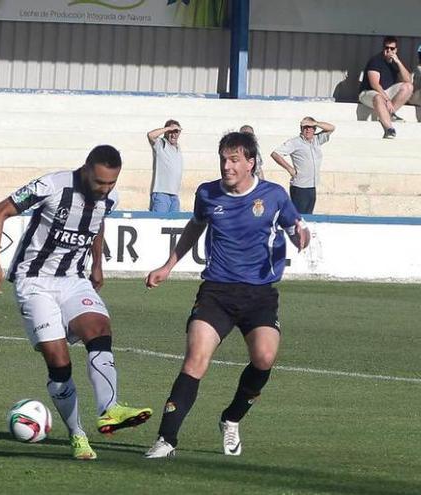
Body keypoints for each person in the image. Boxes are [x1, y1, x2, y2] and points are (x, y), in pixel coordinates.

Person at [143, 132, 310, 460]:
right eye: (223, 159)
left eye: (234, 160)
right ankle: (166, 439)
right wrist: (168, 266)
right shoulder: (207, 193)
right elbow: (195, 227)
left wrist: (301, 237)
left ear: (250, 163)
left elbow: (296, 230)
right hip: (216, 292)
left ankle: (231, 418)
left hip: (260, 295)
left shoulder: (273, 196)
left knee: (264, 358)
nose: (227, 165)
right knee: (195, 360)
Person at [0, 145, 153, 461]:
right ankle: (77, 435)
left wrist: (97, 263)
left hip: (73, 280)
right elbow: (0, 212)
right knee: (59, 362)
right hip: (34, 281)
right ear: (87, 168)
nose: (105, 190)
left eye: (111, 184)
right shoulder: (51, 186)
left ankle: (110, 409)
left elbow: (99, 220)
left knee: (99, 328)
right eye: (101, 182)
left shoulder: (109, 199)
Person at [269, 116, 335, 215]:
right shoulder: (295, 142)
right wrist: (289, 168)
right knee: (299, 217)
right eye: (305, 127)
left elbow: (332, 128)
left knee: (308, 216)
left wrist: (315, 123)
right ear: (301, 129)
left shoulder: (317, 139)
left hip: (312, 185)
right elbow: (275, 154)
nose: (308, 129)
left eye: (310, 127)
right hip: (300, 187)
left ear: (314, 129)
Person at [358, 36, 413, 139]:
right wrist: (387, 99)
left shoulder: (395, 62)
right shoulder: (375, 60)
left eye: (392, 48)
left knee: (408, 87)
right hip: (368, 93)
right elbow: (374, 84)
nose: (389, 50)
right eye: (386, 47)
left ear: (396, 50)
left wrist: (398, 62)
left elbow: (408, 80)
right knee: (378, 97)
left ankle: (388, 115)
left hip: (384, 92)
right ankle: (389, 129)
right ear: (383, 48)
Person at [146, 120, 183, 213]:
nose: (173, 134)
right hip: (161, 194)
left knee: (174, 226)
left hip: (174, 195)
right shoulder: (161, 144)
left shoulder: (177, 148)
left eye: (176, 131)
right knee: (157, 223)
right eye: (171, 131)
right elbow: (150, 135)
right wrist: (168, 128)